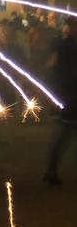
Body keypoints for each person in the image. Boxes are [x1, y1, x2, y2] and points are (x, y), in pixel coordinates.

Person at [43, 17, 77, 185]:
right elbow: (65, 71)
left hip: (68, 95)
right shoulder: (68, 46)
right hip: (72, 96)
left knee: (64, 134)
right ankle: (51, 170)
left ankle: (51, 170)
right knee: (64, 134)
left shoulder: (64, 45)